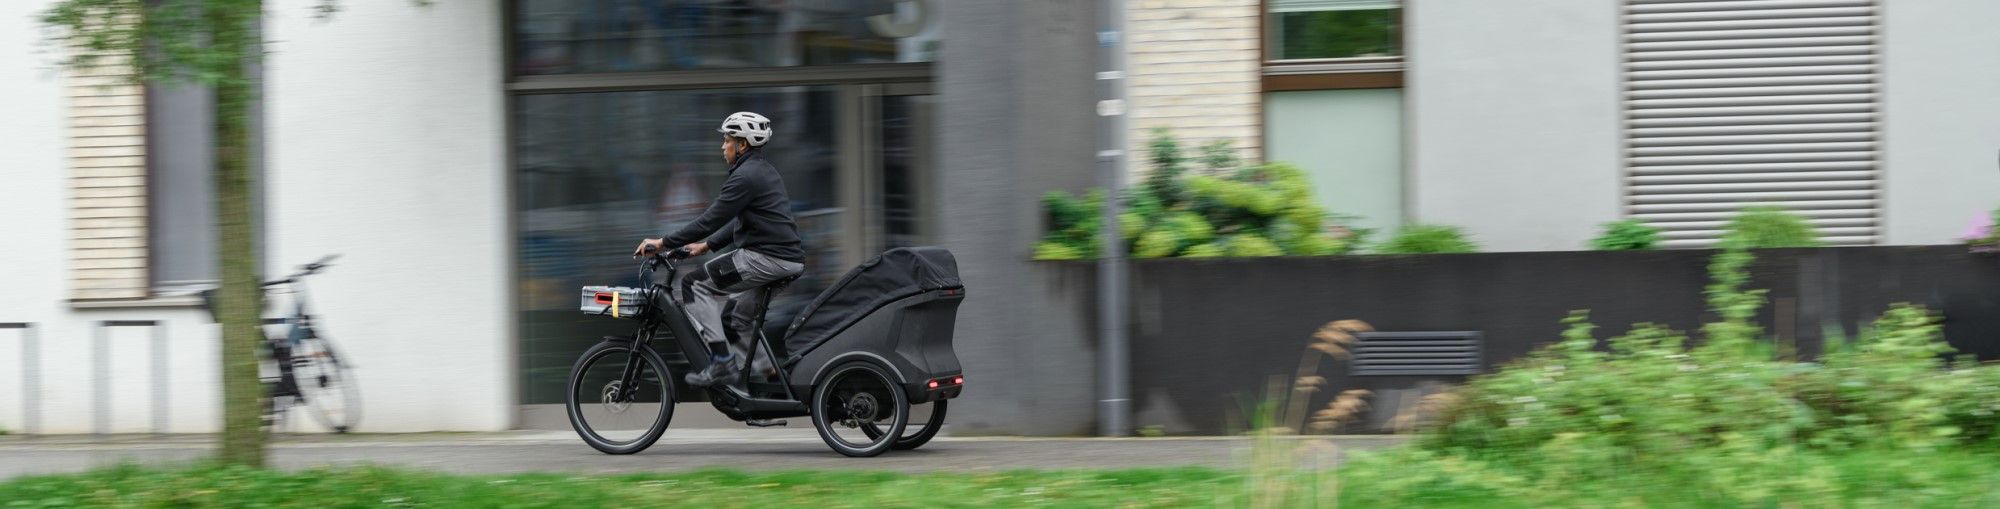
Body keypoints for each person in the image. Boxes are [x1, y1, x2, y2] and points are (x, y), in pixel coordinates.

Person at [634, 111, 805, 388]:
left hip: (767, 257)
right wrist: (706, 246)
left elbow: (709, 220)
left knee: (693, 284)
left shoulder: (744, 177)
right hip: (784, 259)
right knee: (732, 319)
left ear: (742, 145)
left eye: (727, 140)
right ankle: (775, 379)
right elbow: (740, 220)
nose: (722, 146)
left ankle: (722, 363)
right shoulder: (763, 171)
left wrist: (662, 243)